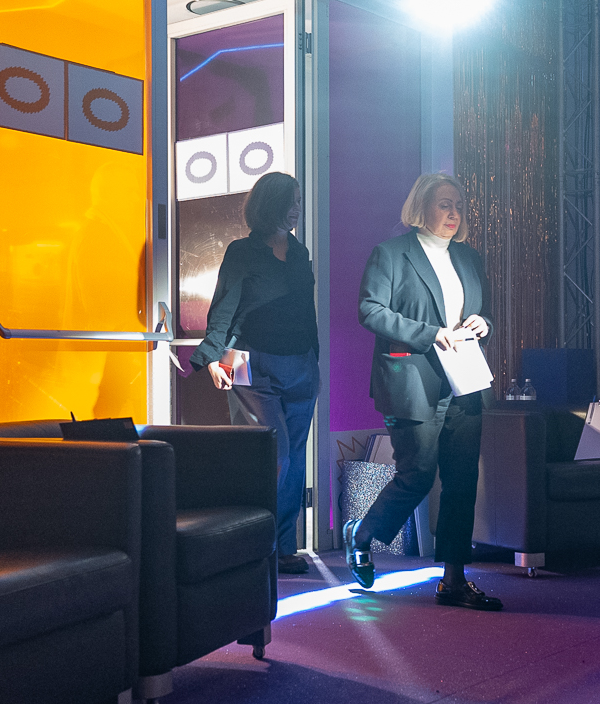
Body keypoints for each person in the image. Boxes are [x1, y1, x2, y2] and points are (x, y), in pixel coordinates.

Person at [343, 173, 499, 609]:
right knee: (418, 475)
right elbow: (370, 310)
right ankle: (362, 533)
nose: (454, 213)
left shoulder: (469, 257)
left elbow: (483, 312)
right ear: (421, 208)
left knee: (462, 481)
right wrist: (429, 333)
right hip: (411, 380)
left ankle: (453, 580)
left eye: (459, 206)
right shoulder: (392, 254)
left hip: (464, 381)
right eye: (445, 204)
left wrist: (484, 323)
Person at [191, 172, 320, 576]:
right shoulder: (241, 252)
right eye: (290, 200)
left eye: (299, 201)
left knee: (295, 458)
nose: (297, 208)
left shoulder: (299, 253)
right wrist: (213, 357)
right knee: (273, 456)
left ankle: (283, 548)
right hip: (253, 364)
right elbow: (224, 306)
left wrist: (314, 359)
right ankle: (255, 545)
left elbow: (306, 312)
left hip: (301, 366)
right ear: (270, 204)